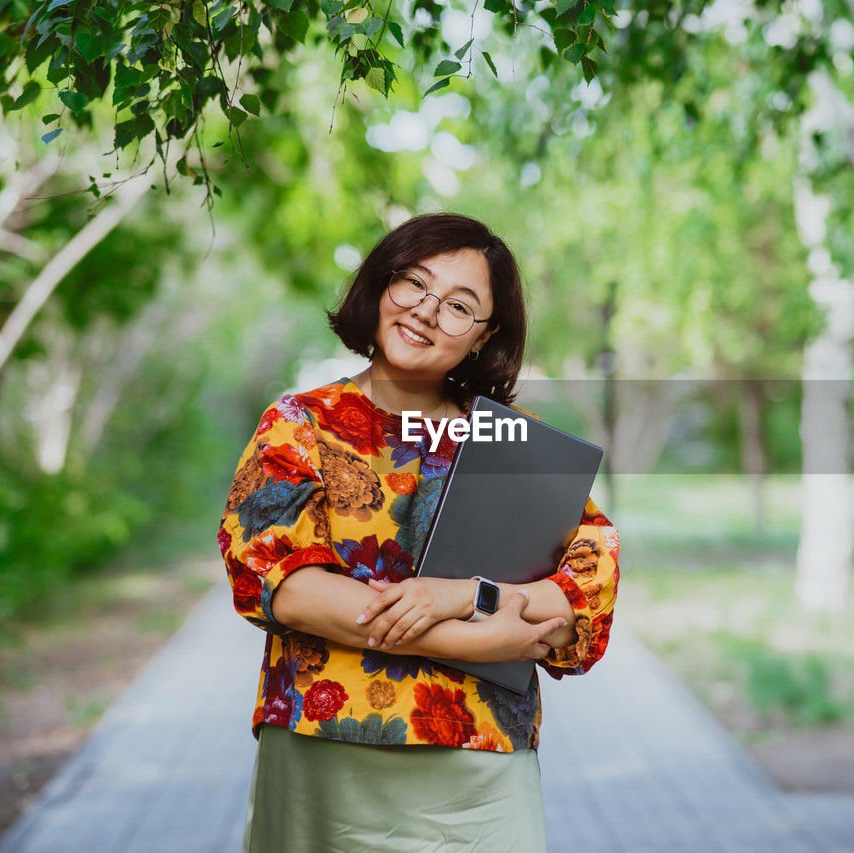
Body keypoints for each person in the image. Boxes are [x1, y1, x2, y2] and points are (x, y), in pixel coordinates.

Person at [217, 212, 620, 851]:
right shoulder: (299, 425)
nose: (428, 312)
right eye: (414, 283)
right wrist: (480, 641)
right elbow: (286, 587)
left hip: (479, 761)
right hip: (328, 749)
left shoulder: (508, 439)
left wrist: (460, 594)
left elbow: (581, 591)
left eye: (460, 305)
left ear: (485, 337)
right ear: (381, 286)